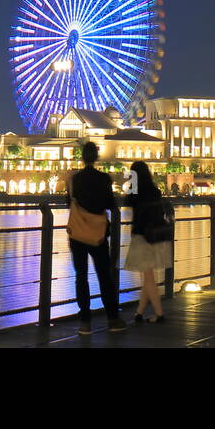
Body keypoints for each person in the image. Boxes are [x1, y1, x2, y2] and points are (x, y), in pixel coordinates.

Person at [66, 142, 126, 335]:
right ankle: (112, 318)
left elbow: (69, 202)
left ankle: (85, 321)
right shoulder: (103, 178)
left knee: (80, 276)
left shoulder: (74, 179)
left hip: (77, 233)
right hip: (98, 233)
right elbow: (109, 203)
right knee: (104, 276)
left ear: (82, 157)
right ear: (96, 157)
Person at [124, 160, 172, 323]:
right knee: (148, 276)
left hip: (142, 236)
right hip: (156, 235)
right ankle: (139, 313)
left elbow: (128, 202)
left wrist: (130, 182)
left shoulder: (135, 192)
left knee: (148, 277)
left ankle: (159, 314)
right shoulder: (154, 191)